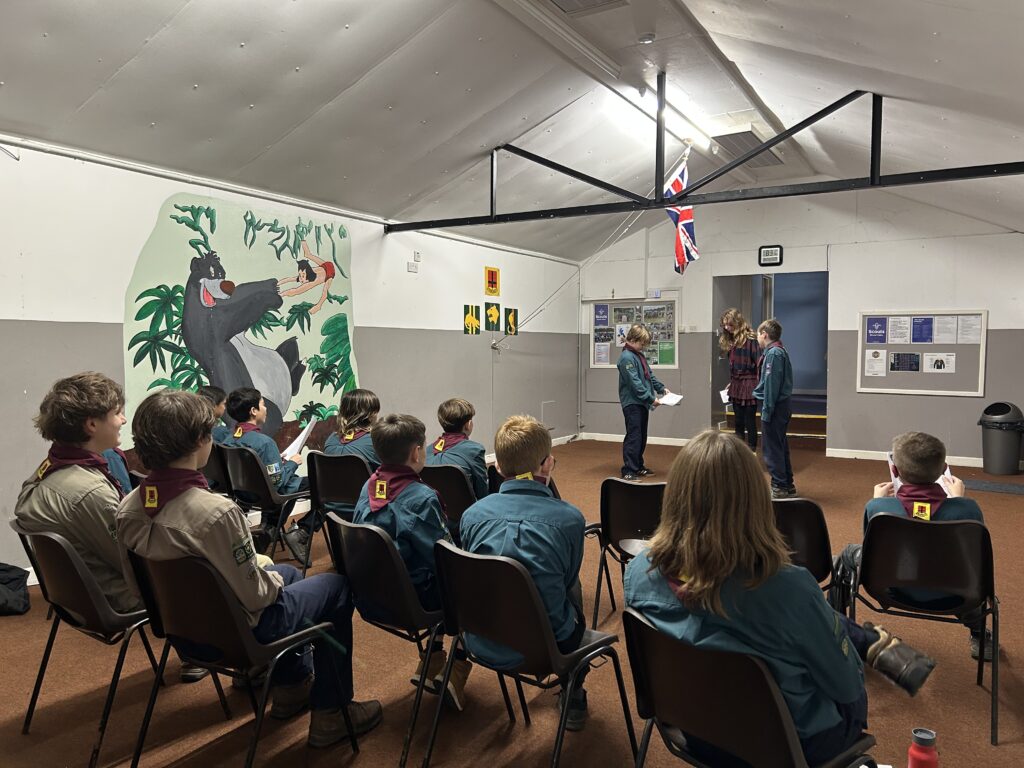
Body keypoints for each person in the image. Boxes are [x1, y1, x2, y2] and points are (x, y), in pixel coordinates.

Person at [624, 430, 936, 766]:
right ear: (756, 499)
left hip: (695, 731)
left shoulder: (639, 571)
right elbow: (845, 688)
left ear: (674, 495)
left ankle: (864, 637)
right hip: (791, 747)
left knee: (806, 616)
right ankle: (868, 640)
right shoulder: (786, 586)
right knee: (812, 620)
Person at [116, 389, 381, 747]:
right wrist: (268, 573)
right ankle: (333, 712)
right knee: (335, 587)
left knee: (288, 575)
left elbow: (138, 588)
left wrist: (272, 574)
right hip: (239, 635)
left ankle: (292, 687)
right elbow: (257, 597)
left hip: (182, 630)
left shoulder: (128, 508)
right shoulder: (216, 514)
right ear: (199, 440)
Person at [459, 415, 590, 731]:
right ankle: (573, 694)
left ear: (499, 469)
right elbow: (568, 578)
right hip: (547, 648)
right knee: (572, 588)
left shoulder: (470, 516)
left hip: (480, 638)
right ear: (547, 465)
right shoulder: (570, 519)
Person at [351, 414, 473, 709]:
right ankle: (456, 666)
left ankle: (431, 659)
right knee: (467, 584)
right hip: (412, 601)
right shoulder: (421, 497)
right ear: (417, 452)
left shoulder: (368, 487)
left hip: (372, 596)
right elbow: (443, 560)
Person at [840, 432, 989, 660]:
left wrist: (877, 501)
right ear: (943, 470)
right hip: (957, 595)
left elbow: (871, 552)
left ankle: (836, 630)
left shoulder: (878, 508)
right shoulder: (968, 511)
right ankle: (980, 636)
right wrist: (960, 500)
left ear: (895, 471)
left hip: (890, 589)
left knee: (846, 555)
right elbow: (974, 555)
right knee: (966, 569)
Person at [15, 373, 138, 614]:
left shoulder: (47, 469)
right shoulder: (91, 493)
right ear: (92, 425)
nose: (123, 420)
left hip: (71, 596)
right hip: (113, 599)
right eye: (117, 413)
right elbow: (131, 564)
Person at [285, 389, 382, 562]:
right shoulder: (375, 441)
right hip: (363, 507)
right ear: (370, 414)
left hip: (331, 507)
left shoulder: (331, 439)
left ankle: (303, 530)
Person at [221, 387, 308, 559]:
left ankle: (269, 528)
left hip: (243, 495)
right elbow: (276, 483)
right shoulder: (265, 443)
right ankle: (298, 531)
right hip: (267, 497)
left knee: (293, 482)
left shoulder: (228, 440)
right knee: (316, 483)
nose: (266, 408)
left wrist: (278, 461)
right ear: (253, 411)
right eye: (263, 404)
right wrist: (292, 463)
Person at [617, 324, 671, 481]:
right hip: (632, 403)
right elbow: (635, 384)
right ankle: (628, 469)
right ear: (633, 339)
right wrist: (651, 398)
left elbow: (649, 376)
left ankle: (638, 466)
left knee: (641, 436)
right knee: (634, 436)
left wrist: (662, 389)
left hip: (641, 403)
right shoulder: (626, 357)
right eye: (642, 343)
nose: (643, 347)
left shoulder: (638, 356)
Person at [753, 318, 795, 498]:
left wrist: (767, 411)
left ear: (764, 334)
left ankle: (779, 486)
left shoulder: (773, 354)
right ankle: (787, 484)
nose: (757, 339)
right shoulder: (778, 350)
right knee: (779, 445)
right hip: (780, 406)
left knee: (772, 448)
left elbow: (771, 385)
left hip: (775, 406)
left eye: (758, 335)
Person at [425, 397, 488, 500]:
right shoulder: (475, 451)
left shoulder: (426, 452)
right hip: (467, 513)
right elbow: (483, 495)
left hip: (436, 512)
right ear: (468, 425)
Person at [719, 308, 760, 451]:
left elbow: (759, 365)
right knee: (738, 421)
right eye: (725, 325)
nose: (726, 328)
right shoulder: (731, 341)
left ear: (737, 323)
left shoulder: (751, 340)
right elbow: (734, 365)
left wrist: (759, 385)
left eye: (729, 324)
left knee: (750, 421)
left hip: (750, 383)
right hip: (736, 383)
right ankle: (740, 452)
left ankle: (752, 451)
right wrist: (732, 381)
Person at [277, 240, 336, 315]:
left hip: (329, 273)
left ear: (307, 273)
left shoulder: (313, 281)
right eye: (300, 274)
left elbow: (325, 291)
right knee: (308, 255)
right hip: (325, 265)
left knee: (298, 290)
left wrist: (318, 305)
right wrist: (278, 283)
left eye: (303, 275)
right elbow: (291, 278)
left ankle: (318, 306)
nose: (301, 279)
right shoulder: (303, 274)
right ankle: (302, 239)